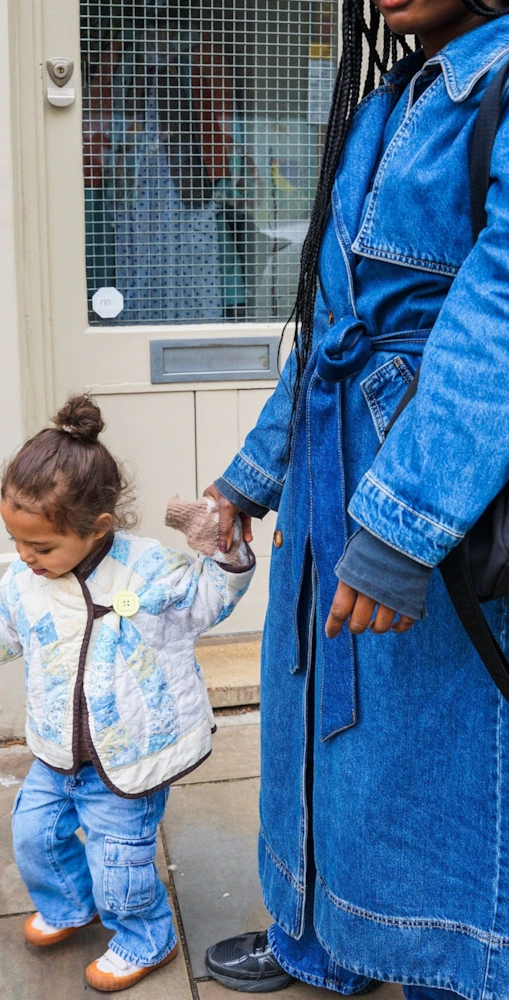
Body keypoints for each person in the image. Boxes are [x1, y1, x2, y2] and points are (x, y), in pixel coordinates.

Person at [204, 1, 509, 999]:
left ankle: (452, 974)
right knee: (332, 735)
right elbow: (333, 325)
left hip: (451, 497)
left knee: (450, 769)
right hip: (334, 482)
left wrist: (401, 528)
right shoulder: (392, 96)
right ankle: (327, 938)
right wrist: (251, 478)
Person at [0, 396, 255, 991]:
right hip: (56, 751)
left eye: (41, 548)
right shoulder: (22, 580)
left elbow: (208, 600)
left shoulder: (147, 572)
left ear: (98, 530)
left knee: (121, 862)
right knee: (33, 834)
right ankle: (69, 906)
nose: (26, 559)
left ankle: (147, 938)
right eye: (17, 542)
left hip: (132, 756)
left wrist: (221, 551)